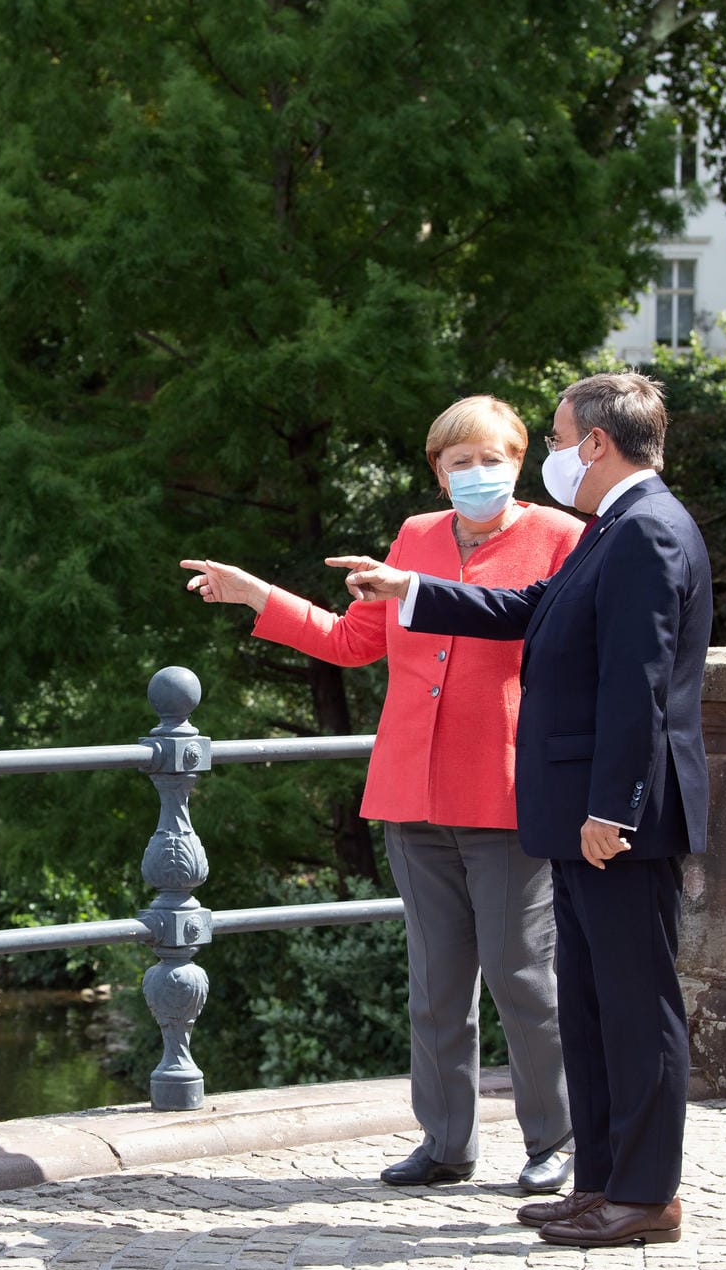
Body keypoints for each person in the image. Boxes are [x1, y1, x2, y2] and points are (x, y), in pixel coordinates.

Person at [329, 371, 711, 1249]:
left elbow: (637, 689)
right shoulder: (616, 527)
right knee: (589, 1003)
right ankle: (601, 1182)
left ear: (599, 446)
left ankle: (646, 1198)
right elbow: (534, 610)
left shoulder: (647, 531)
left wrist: (611, 809)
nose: (550, 455)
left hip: (618, 821)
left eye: (557, 437)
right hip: (577, 816)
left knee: (635, 1005)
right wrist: (412, 592)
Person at [180, 395, 582, 1196]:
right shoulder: (416, 537)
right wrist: (260, 594)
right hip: (413, 788)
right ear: (438, 472)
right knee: (435, 986)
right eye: (459, 461)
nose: (477, 472)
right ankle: (444, 1143)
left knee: (524, 979)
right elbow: (352, 641)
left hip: (503, 792)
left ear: (520, 457)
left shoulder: (559, 539)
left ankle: (557, 1142)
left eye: (492, 456)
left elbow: (562, 645)